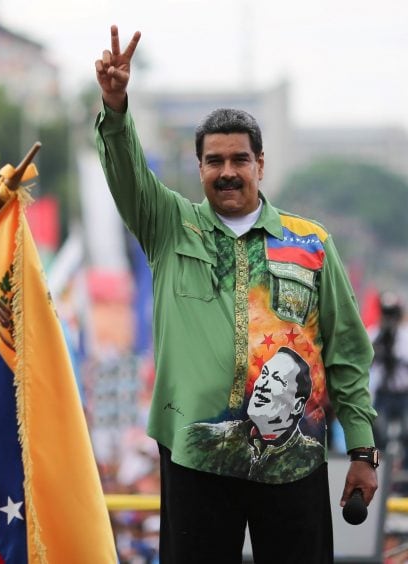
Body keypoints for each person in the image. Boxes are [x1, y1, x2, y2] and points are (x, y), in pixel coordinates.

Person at [94, 26, 379, 563]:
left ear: (260, 164)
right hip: (197, 457)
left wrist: (361, 448)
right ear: (199, 168)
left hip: (294, 461)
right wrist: (115, 108)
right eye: (214, 161)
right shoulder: (170, 227)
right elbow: (127, 175)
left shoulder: (312, 244)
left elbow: (346, 352)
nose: (227, 172)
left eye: (239, 160)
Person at [184, 347, 325, 482]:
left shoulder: (311, 457)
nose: (262, 384)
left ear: (297, 405)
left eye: (276, 379)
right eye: (264, 374)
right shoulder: (207, 438)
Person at [370, 292, 408, 488]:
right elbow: (365, 363)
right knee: (377, 437)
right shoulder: (374, 333)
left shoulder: (405, 337)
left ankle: (404, 481)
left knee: (406, 433)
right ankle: (374, 473)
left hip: (403, 395)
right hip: (383, 395)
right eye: (387, 313)